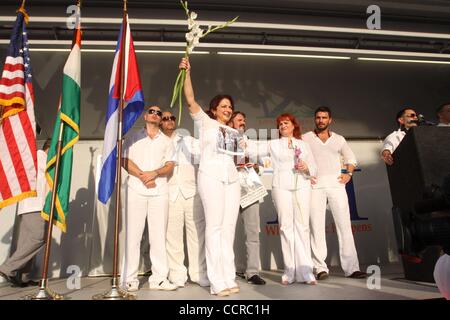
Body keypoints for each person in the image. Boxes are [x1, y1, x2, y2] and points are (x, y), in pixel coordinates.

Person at [179, 57, 241, 297]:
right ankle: (217, 281)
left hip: (232, 180)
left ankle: (228, 276)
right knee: (214, 228)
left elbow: (238, 155)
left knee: (228, 230)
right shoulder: (204, 122)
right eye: (223, 106)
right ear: (214, 109)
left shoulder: (234, 131)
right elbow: (190, 99)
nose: (227, 109)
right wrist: (187, 73)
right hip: (210, 177)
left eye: (230, 107)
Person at [246, 113, 317, 285]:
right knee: (286, 227)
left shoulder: (303, 145)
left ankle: (306, 271)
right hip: (280, 185)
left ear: (294, 126)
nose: (283, 126)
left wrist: (306, 167)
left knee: (302, 226)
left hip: (302, 184)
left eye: (286, 123)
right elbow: (252, 148)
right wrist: (239, 138)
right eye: (280, 124)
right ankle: (290, 271)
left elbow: (313, 167)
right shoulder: (273, 144)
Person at [303, 106, 367, 280]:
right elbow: (298, 160)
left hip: (336, 185)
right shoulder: (305, 138)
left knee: (344, 226)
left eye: (324, 118)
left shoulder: (339, 139)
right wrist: (306, 175)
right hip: (315, 186)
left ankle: (352, 268)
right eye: (318, 117)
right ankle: (320, 268)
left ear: (330, 120)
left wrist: (348, 173)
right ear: (314, 119)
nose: (321, 120)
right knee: (316, 227)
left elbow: (351, 159)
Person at [120, 105, 177, 292]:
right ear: (145, 116)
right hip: (135, 190)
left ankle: (159, 279)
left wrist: (155, 173)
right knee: (133, 236)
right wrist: (144, 175)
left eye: (159, 113)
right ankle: (129, 279)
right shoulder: (133, 137)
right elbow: (124, 160)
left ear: (161, 119)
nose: (155, 114)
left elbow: (169, 166)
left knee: (158, 236)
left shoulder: (167, 142)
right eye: (152, 111)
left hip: (159, 192)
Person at [160, 110, 209, 288]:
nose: (169, 120)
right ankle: (177, 274)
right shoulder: (158, 142)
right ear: (160, 123)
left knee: (197, 235)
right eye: (165, 119)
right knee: (172, 237)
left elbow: (204, 151)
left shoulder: (187, 139)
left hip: (191, 191)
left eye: (172, 118)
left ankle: (198, 273)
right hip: (170, 192)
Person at [0, 139, 51, 287]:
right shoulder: (39, 157)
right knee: (38, 238)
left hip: (31, 206)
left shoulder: (39, 159)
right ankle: (8, 267)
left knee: (26, 242)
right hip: (34, 205)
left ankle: (22, 277)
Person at [228, 111, 266, 285]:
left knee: (252, 231)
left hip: (250, 185)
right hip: (229, 185)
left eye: (244, 119)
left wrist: (257, 167)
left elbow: (263, 164)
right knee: (226, 231)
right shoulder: (223, 141)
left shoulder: (252, 143)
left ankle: (252, 272)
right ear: (230, 122)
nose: (242, 122)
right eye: (239, 119)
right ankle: (228, 270)